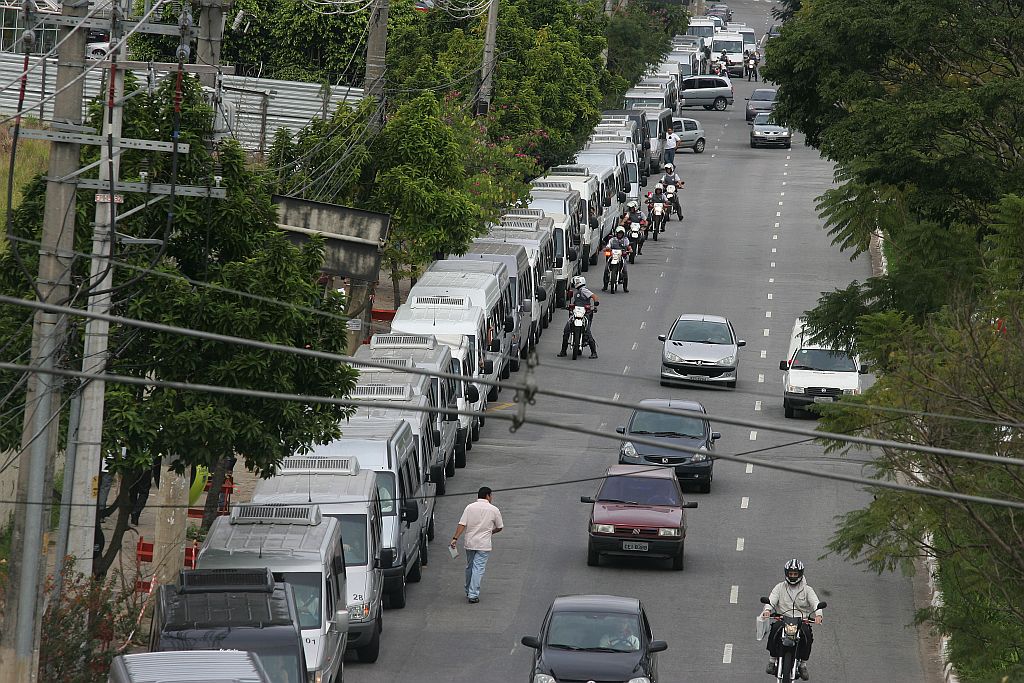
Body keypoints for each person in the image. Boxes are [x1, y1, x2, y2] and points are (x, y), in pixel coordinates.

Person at [762, 559, 822, 681]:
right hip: (783, 618)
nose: (793, 576)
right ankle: (772, 660)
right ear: (786, 573)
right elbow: (772, 600)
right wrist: (767, 610)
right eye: (791, 574)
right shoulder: (779, 587)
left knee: (807, 636)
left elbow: (816, 603)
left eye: (795, 574)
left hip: (801, 620)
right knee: (774, 629)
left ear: (800, 574)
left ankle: (803, 665)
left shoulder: (807, 590)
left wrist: (818, 615)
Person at [450, 486, 503, 603]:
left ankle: (468, 590)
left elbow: (462, 524)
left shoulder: (470, 508)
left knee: (470, 566)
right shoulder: (494, 510)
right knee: (478, 568)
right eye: (491, 496)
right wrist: (490, 532)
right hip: (484, 544)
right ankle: (473, 594)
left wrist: (455, 538)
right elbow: (500, 527)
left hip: (470, 543)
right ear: (488, 496)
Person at [558, 275, 599, 358]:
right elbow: (574, 304)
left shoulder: (584, 290)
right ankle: (563, 351)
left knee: (587, 331)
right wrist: (568, 307)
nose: (573, 284)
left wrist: (595, 304)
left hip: (585, 314)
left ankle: (594, 352)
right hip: (576, 313)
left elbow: (595, 297)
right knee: (567, 329)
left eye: (574, 283)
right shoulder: (577, 292)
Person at [602, 227, 631, 293]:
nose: (620, 234)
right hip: (613, 256)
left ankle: (625, 287)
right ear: (616, 233)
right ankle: (605, 286)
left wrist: (629, 250)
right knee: (606, 269)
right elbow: (608, 246)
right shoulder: (612, 240)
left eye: (621, 233)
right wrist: (606, 249)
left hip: (621, 257)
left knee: (625, 271)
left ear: (623, 234)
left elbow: (629, 246)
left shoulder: (625, 240)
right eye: (618, 233)